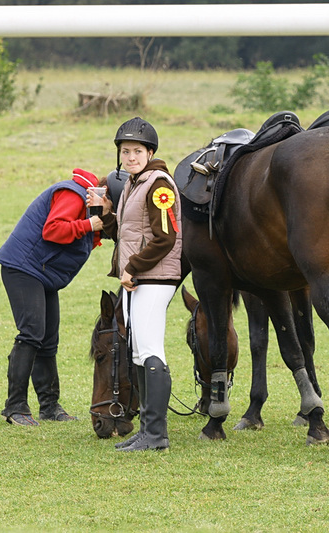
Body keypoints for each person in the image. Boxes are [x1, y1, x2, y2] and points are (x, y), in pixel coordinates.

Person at [88, 117, 181, 452]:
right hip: (136, 279)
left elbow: (165, 238)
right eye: (125, 151)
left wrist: (133, 267)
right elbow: (127, 234)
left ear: (150, 152)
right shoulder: (132, 184)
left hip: (153, 278)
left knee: (151, 351)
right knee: (140, 353)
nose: (130, 157)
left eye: (137, 151)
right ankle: (146, 430)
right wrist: (106, 213)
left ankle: (156, 435)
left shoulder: (159, 185)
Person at [0, 168, 106, 426]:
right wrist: (89, 224)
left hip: (43, 271)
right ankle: (15, 407)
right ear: (102, 193)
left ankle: (50, 407)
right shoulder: (74, 194)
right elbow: (53, 230)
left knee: (48, 340)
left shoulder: (91, 205)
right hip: (23, 267)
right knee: (32, 333)